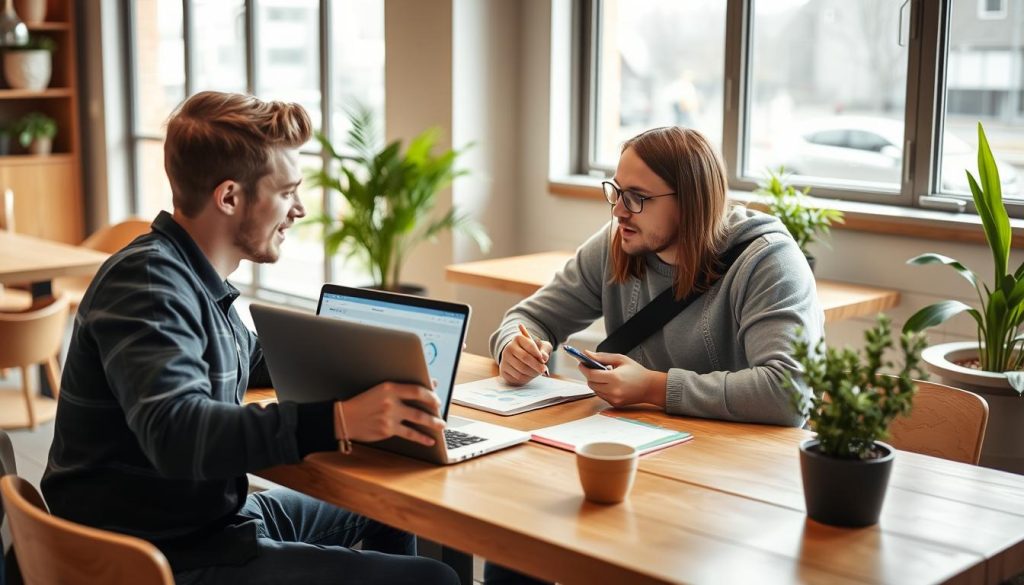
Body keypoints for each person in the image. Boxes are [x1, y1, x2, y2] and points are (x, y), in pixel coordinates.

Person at [40, 91, 459, 585]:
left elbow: (258, 361)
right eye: (287, 192)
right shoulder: (149, 285)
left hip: (198, 525)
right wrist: (341, 419)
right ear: (230, 197)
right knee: (434, 579)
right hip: (152, 558)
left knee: (383, 505)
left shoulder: (190, 277)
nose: (299, 209)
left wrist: (379, 374)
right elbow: (178, 435)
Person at [485, 127, 822, 584]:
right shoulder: (618, 243)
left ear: (690, 200)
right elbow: (527, 318)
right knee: (517, 550)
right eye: (617, 192)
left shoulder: (767, 262)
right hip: (639, 464)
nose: (619, 210)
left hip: (736, 490)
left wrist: (653, 387)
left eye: (637, 197)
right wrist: (514, 348)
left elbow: (788, 392)